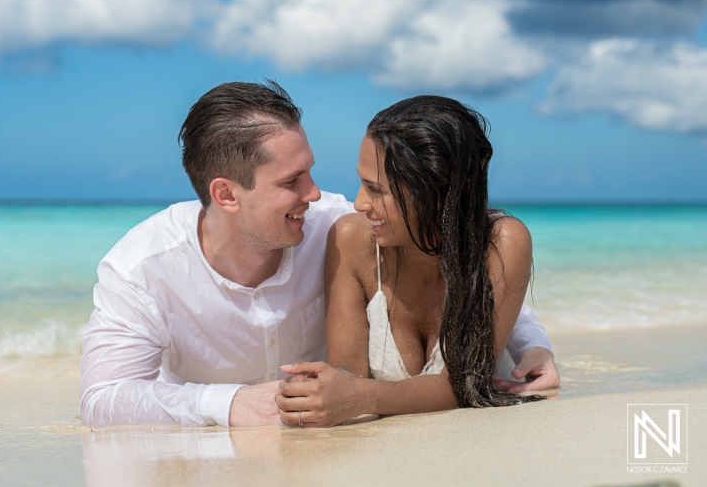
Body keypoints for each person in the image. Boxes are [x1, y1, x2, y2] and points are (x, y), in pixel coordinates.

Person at [79, 82, 558, 428]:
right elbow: (103, 398)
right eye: (291, 182)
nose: (317, 194)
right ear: (226, 194)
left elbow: (451, 250)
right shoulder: (141, 268)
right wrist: (228, 405)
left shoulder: (335, 221)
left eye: (309, 172)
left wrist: (529, 341)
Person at [276, 96, 561, 428]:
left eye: (375, 189)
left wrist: (363, 396)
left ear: (432, 192)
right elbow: (347, 377)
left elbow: (467, 383)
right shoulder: (352, 240)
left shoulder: (503, 243)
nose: (358, 203)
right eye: (361, 182)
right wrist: (319, 392)